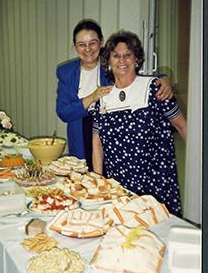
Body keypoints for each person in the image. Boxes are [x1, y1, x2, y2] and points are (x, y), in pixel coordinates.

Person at [56, 19, 173, 170]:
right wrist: (92, 97)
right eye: (81, 44)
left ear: (101, 42)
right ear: (75, 46)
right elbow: (64, 113)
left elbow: (138, 77)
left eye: (93, 43)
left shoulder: (112, 63)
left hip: (112, 131)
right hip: (81, 134)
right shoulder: (66, 72)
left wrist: (164, 78)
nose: (88, 49)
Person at [92, 30, 186, 216]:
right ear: (108, 61)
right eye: (116, 56)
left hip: (155, 187)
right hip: (118, 188)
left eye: (128, 55)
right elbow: (97, 144)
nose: (122, 61)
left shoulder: (155, 89)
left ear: (136, 59)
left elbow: (182, 126)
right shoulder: (102, 98)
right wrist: (98, 182)